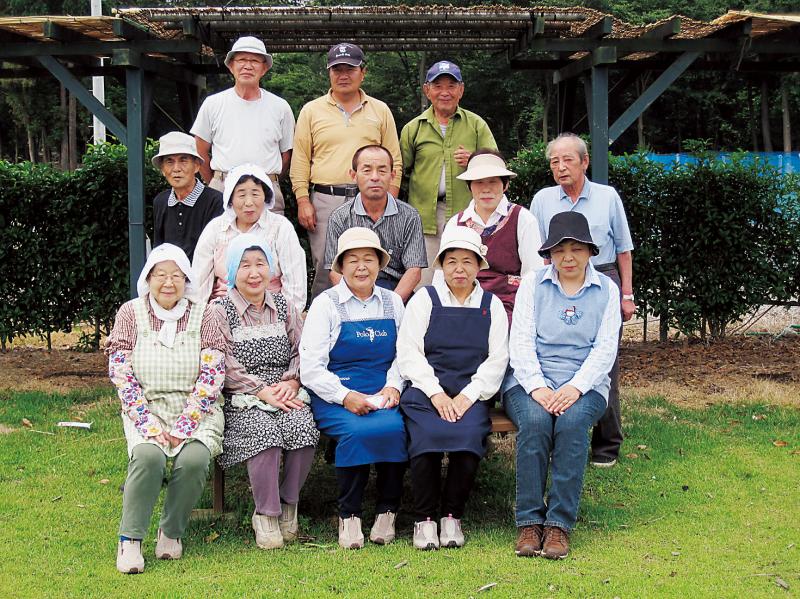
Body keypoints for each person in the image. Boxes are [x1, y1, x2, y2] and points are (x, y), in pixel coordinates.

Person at [504, 211, 621, 560]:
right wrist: (538, 386)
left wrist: (577, 387)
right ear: (549, 255)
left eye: (575, 249)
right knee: (536, 422)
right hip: (530, 380)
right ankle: (529, 521)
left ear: (589, 251)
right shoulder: (533, 284)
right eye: (559, 250)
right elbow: (520, 341)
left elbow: (605, 349)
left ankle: (558, 525)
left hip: (585, 383)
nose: (567, 257)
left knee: (571, 424)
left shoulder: (607, 289)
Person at [106, 244, 225, 574]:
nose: (168, 282)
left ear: (186, 279)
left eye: (176, 275)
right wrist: (150, 425)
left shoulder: (206, 313)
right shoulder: (131, 313)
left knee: (195, 458)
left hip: (197, 409)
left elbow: (213, 373)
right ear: (148, 277)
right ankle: (130, 540)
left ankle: (170, 531)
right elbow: (121, 373)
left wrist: (185, 425)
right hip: (148, 407)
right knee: (148, 456)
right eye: (160, 274)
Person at [397, 227, 508, 550]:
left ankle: (451, 515)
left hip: (471, 392)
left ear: (479, 266)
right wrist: (435, 393)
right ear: (441, 265)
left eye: (467, 262)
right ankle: (424, 519)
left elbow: (498, 357)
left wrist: (467, 396)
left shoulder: (492, 305)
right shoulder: (424, 300)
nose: (459, 269)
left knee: (468, 437)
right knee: (427, 437)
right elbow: (409, 352)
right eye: (452, 261)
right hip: (425, 390)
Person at [531, 132, 635, 468]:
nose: (561, 167)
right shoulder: (543, 199)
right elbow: (540, 253)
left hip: (603, 276)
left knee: (605, 361)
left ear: (585, 162)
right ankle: (552, 432)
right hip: (557, 277)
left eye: (567, 160)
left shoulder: (607, 197)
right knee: (555, 353)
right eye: (554, 162)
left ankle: (606, 446)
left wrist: (627, 294)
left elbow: (623, 248)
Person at [300, 227, 407, 550]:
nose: (362, 267)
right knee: (356, 433)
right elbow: (311, 367)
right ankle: (350, 515)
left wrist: (394, 386)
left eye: (369, 259)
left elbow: (405, 354)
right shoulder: (326, 304)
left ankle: (387, 511)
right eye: (353, 260)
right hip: (336, 394)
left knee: (397, 427)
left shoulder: (393, 302)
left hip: (384, 392)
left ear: (379, 264)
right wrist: (345, 396)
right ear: (341, 266)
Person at [213, 234, 319, 550]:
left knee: (303, 429)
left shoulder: (284, 305)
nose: (254, 272)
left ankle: (289, 505)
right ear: (233, 271)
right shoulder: (220, 309)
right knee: (265, 435)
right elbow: (223, 360)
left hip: (284, 390)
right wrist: (260, 391)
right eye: (245, 265)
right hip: (243, 395)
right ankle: (266, 514)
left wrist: (292, 382)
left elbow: (303, 349)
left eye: (260, 264)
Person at [291, 42, 403, 298]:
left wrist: (391, 202)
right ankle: (323, 321)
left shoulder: (380, 110)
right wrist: (302, 199)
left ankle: (370, 320)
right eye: (337, 69)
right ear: (328, 73)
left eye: (350, 69)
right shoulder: (311, 110)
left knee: (370, 261)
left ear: (362, 72)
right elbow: (300, 160)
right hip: (325, 199)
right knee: (325, 264)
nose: (343, 75)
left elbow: (394, 160)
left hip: (372, 198)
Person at [400, 60, 497, 286]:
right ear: (427, 90)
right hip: (424, 216)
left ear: (461, 90)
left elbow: (496, 167)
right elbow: (400, 170)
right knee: (424, 283)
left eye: (451, 86)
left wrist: (474, 160)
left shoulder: (476, 125)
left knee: (465, 278)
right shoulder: (413, 128)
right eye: (438, 86)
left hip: (468, 215)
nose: (445, 92)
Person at [435, 149, 543, 322]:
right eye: (478, 182)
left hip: (510, 308)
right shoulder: (456, 222)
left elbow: (534, 275)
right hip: (463, 306)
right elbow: (441, 276)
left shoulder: (523, 219)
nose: (486, 189)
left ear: (505, 184)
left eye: (493, 181)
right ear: (469, 186)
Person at [191, 36, 295, 215]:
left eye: (255, 60)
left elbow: (287, 156)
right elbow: (199, 151)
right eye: (241, 60)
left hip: (267, 191)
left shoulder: (281, 107)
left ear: (264, 68)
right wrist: (216, 183)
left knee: (271, 242)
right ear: (231, 66)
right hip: (222, 191)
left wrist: (269, 181)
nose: (248, 66)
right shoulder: (213, 104)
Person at [192, 163, 307, 313]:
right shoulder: (216, 228)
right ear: (230, 199)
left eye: (255, 194)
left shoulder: (280, 227)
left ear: (265, 196)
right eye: (241, 195)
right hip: (223, 310)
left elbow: (295, 284)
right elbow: (199, 280)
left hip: (271, 310)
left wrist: (285, 318)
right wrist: (201, 317)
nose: (249, 202)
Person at [324, 145, 427, 303]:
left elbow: (414, 270)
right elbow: (334, 271)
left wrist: (390, 305)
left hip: (397, 292)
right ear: (353, 175)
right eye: (366, 170)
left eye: (382, 170)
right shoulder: (339, 217)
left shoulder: (409, 216)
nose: (375, 177)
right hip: (352, 291)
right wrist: (358, 303)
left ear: (392, 175)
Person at [151, 132, 223, 261]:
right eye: (169, 161)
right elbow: (158, 250)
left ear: (196, 166)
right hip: (170, 278)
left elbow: (218, 253)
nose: (176, 168)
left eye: (183, 160)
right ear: (162, 169)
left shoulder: (216, 201)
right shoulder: (160, 201)